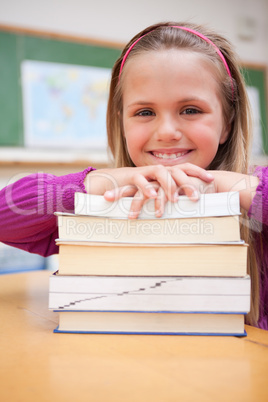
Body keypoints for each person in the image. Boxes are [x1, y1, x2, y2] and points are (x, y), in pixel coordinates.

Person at [0, 22, 267, 329]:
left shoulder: (252, 196)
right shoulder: (102, 200)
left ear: (228, 123)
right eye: (144, 112)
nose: (167, 132)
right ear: (123, 121)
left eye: (191, 110)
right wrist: (93, 182)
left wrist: (239, 187)